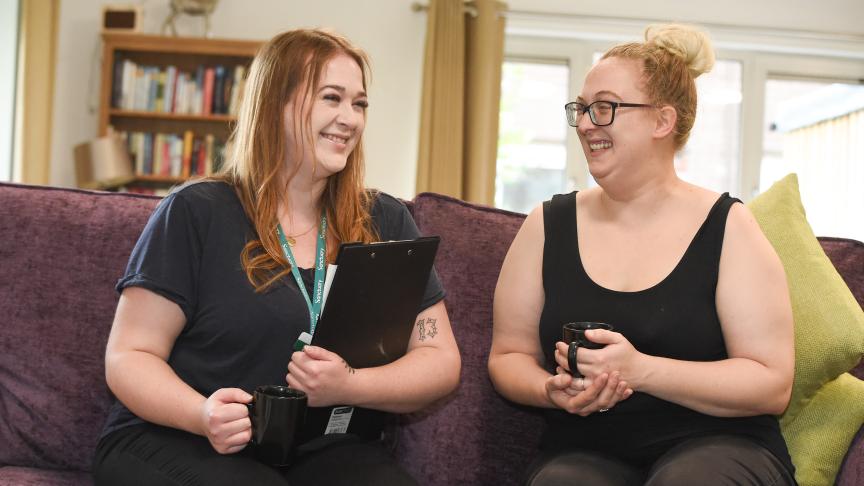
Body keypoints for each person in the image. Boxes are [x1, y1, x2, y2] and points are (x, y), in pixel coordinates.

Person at [93, 29, 460, 486]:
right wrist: (201, 413)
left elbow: (439, 359)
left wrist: (350, 386)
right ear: (275, 104)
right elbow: (130, 354)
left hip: (322, 445)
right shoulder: (197, 210)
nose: (350, 118)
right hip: (181, 436)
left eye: (359, 104)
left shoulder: (385, 221)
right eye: (331, 98)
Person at [489, 24, 797, 485]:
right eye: (582, 109)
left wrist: (641, 371)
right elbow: (507, 355)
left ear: (662, 121)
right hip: (585, 448)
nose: (588, 122)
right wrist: (549, 391)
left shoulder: (728, 226)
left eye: (606, 107)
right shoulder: (546, 225)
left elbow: (771, 384)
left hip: (720, 445)